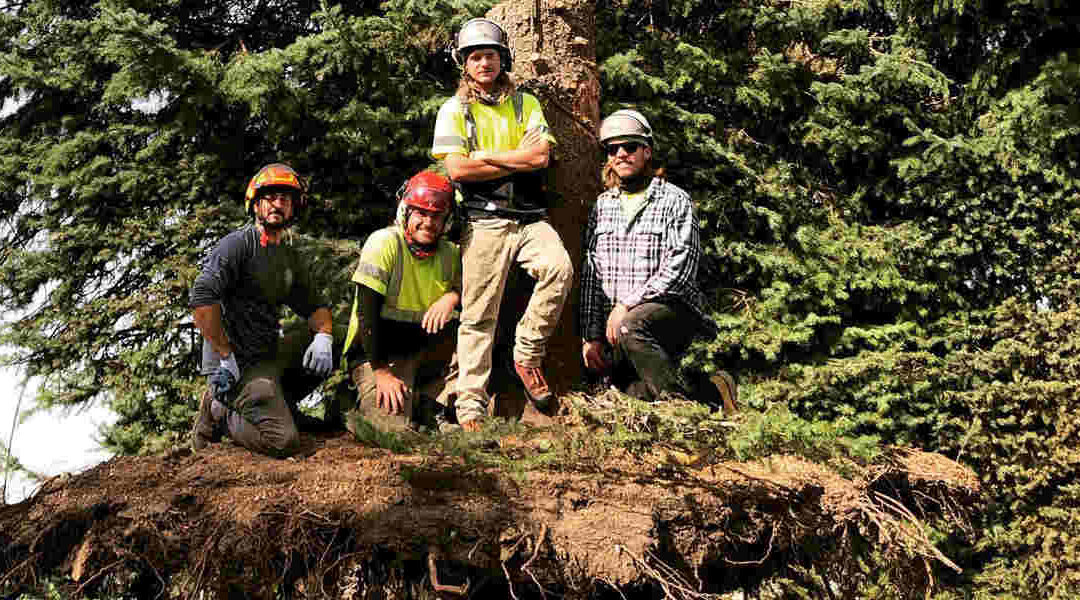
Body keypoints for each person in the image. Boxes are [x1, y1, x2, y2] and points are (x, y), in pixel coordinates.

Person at [432, 18, 573, 430]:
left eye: (490, 55)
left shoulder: (525, 103)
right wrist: (513, 156)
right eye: (475, 56)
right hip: (483, 220)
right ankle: (470, 405)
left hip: (530, 216)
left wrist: (486, 158)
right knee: (478, 316)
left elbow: (540, 158)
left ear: (502, 58)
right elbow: (456, 170)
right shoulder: (453, 110)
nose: (483, 63)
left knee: (559, 268)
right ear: (465, 63)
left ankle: (527, 352)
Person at [580, 110, 738, 414]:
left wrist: (626, 305)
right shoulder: (602, 206)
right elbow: (591, 275)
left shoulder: (675, 200)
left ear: (646, 151)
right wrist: (591, 336)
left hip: (671, 311)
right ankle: (713, 393)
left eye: (630, 146)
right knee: (635, 395)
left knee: (631, 326)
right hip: (619, 325)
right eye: (613, 149)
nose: (621, 154)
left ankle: (682, 415)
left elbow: (680, 269)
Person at [190, 163, 337, 457]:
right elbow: (202, 297)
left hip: (268, 354)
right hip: (233, 366)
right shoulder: (237, 246)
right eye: (270, 198)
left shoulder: (287, 254)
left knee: (340, 336)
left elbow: (315, 306)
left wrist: (324, 337)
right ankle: (221, 413)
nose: (277, 205)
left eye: (285, 199)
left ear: (295, 206)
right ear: (255, 203)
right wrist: (224, 355)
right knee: (282, 441)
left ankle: (280, 406)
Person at [339, 170, 461, 434]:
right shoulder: (384, 243)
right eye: (421, 213)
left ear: (447, 220)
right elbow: (366, 314)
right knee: (390, 430)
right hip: (377, 357)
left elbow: (476, 298)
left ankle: (427, 405)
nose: (429, 222)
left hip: (423, 355)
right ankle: (352, 404)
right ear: (406, 212)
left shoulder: (451, 254)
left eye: (437, 216)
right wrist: (381, 373)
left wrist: (453, 296)